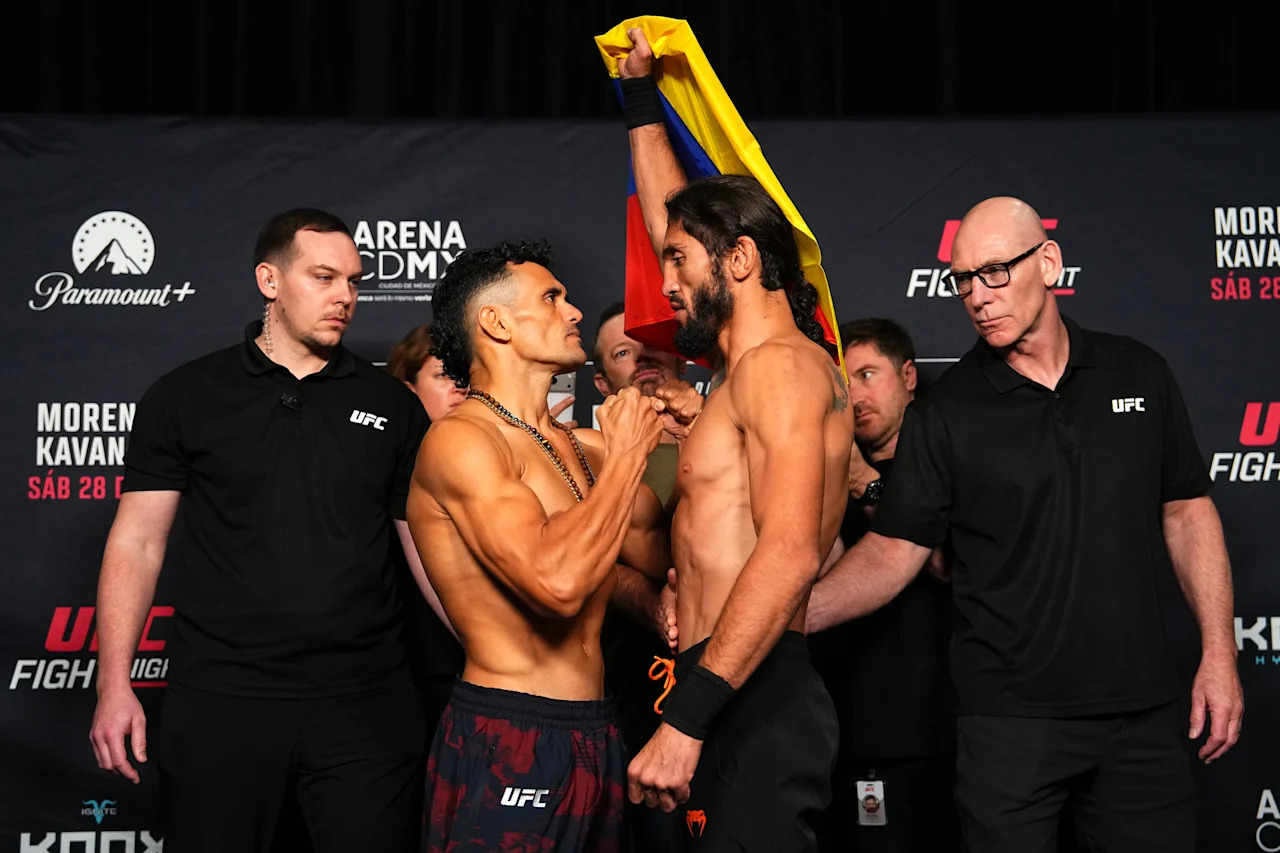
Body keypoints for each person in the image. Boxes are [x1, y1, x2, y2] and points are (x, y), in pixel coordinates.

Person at [807, 197, 1244, 853]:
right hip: (1007, 724)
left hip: (1141, 717)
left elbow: (1186, 511)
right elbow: (895, 550)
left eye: (995, 272)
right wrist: (790, 613)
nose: (978, 297)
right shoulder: (946, 410)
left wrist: (1219, 652)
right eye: (962, 280)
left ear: (1049, 262)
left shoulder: (1137, 370)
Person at [89, 208, 429, 852]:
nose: (345, 296)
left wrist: (495, 658)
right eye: (324, 277)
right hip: (221, 700)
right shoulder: (186, 395)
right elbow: (137, 542)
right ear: (269, 281)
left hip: (365, 703)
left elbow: (426, 552)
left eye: (354, 282)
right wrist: (114, 683)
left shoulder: (392, 404)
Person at [617, 30, 855, 851]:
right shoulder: (740, 372)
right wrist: (640, 101)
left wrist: (687, 719)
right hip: (721, 681)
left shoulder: (781, 368)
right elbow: (671, 219)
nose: (666, 284)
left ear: (742, 259)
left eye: (680, 264)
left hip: (750, 690)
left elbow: (789, 553)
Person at [407, 240, 670, 851]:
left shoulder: (583, 447)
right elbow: (556, 585)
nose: (573, 311)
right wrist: (629, 456)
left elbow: (665, 556)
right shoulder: (463, 442)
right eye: (551, 298)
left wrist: (708, 428)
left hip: (598, 730)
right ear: (496, 323)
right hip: (510, 729)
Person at [808, 318, 959, 853]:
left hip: (925, 730)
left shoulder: (946, 463)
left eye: (868, 374)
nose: (856, 395)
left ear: (909, 376)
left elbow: (942, 563)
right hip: (835, 732)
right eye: (845, 382)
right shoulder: (825, 477)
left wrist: (865, 483)